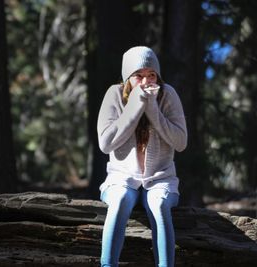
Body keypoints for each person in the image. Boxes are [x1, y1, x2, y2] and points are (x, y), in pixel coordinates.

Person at [97, 46, 187, 267]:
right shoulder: (114, 94)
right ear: (128, 78)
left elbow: (181, 142)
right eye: (139, 75)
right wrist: (135, 106)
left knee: (158, 205)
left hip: (160, 178)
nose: (146, 81)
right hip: (121, 178)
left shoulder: (168, 95)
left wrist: (153, 109)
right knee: (118, 201)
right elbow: (105, 143)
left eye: (152, 75)